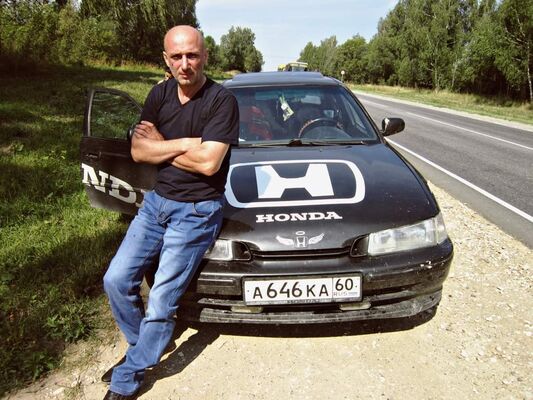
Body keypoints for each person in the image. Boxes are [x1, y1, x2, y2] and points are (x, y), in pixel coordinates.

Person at [101, 25, 239, 400]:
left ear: (205, 56)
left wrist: (161, 146)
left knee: (161, 299)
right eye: (176, 56)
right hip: (156, 203)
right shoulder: (158, 94)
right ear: (166, 59)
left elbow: (209, 164)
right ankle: (143, 346)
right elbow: (138, 151)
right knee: (115, 280)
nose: (184, 64)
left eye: (192, 55)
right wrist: (183, 144)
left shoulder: (221, 101)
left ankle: (128, 376)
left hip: (197, 211)